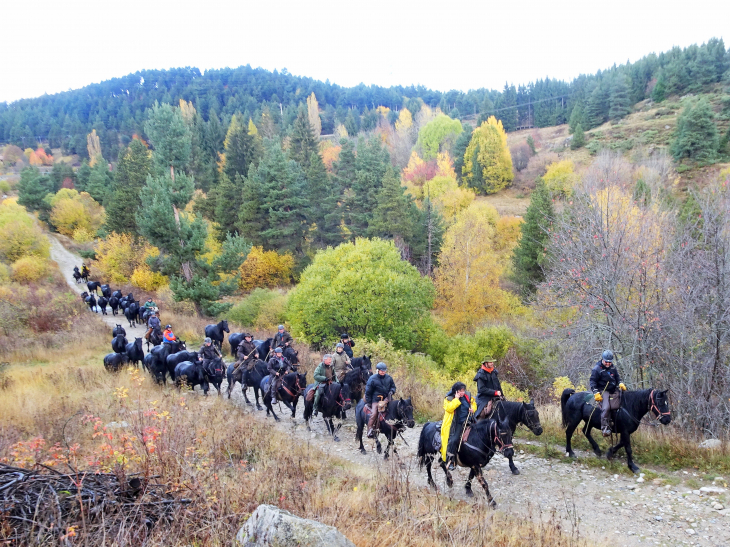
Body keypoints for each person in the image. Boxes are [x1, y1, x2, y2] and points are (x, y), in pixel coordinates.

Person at [441, 382, 476, 470]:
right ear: (456, 391)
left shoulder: (467, 396)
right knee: (454, 439)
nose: (462, 392)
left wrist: (473, 409)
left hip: (468, 420)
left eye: (463, 390)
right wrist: (456, 399)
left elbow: (474, 404)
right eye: (460, 391)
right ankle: (450, 460)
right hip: (457, 423)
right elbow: (448, 408)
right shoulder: (449, 398)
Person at [590, 350, 626, 436]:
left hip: (613, 389)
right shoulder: (597, 369)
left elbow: (617, 377)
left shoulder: (613, 368)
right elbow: (592, 382)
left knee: (624, 401)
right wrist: (596, 393)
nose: (608, 364)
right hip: (603, 390)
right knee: (606, 408)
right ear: (603, 359)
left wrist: (620, 383)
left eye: (610, 362)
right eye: (606, 362)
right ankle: (605, 429)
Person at [364, 362, 396, 438]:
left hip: (387, 398)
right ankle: (370, 429)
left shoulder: (389, 378)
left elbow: (393, 387)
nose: (383, 372)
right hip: (376, 400)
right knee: (374, 413)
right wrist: (369, 402)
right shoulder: (372, 379)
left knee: (395, 408)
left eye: (384, 370)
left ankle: (398, 425)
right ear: (378, 370)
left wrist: (392, 391)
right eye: (381, 370)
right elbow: (368, 392)